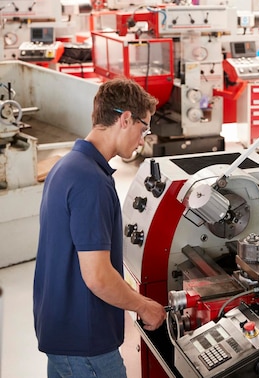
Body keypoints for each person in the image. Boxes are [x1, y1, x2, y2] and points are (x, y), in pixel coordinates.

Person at [33, 78, 166, 378]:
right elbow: (97, 276)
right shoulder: (90, 181)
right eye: (143, 128)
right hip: (85, 344)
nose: (143, 139)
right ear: (125, 119)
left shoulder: (67, 166)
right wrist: (143, 306)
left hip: (62, 331)